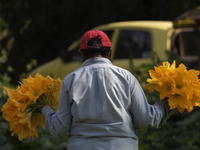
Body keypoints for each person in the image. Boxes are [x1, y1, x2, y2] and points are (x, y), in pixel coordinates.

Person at [38, 30, 169, 150]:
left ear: (81, 54)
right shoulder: (126, 77)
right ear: (110, 53)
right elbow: (146, 119)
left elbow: (59, 127)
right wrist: (166, 103)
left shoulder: (70, 80)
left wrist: (44, 108)